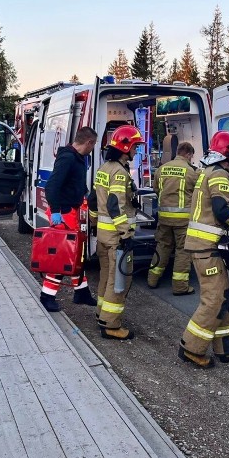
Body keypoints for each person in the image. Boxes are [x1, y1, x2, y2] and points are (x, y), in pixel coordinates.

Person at [179, 130, 229, 369]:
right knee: (214, 300)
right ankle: (191, 348)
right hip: (206, 248)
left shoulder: (208, 172)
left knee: (225, 297)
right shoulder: (220, 174)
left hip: (204, 246)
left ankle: (227, 348)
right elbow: (222, 211)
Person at [88, 125, 144, 340]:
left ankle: (101, 313)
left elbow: (93, 200)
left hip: (103, 235)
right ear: (125, 147)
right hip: (116, 238)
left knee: (105, 276)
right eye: (135, 147)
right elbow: (115, 205)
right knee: (119, 281)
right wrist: (125, 234)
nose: (136, 151)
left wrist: (94, 222)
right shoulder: (120, 173)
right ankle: (110, 325)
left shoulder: (103, 169)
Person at [40, 127, 99, 312]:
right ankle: (47, 296)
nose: (93, 148)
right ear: (88, 142)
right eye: (94, 144)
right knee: (63, 255)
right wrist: (56, 211)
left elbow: (72, 184)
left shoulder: (77, 158)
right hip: (63, 212)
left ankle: (81, 293)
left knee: (76, 254)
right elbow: (52, 186)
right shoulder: (68, 158)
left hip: (71, 210)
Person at [147, 142, 199, 295]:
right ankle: (180, 287)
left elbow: (156, 189)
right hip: (183, 220)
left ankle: (152, 279)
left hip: (164, 218)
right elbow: (197, 195)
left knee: (162, 247)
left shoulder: (162, 169)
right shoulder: (191, 171)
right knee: (183, 251)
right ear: (188, 154)